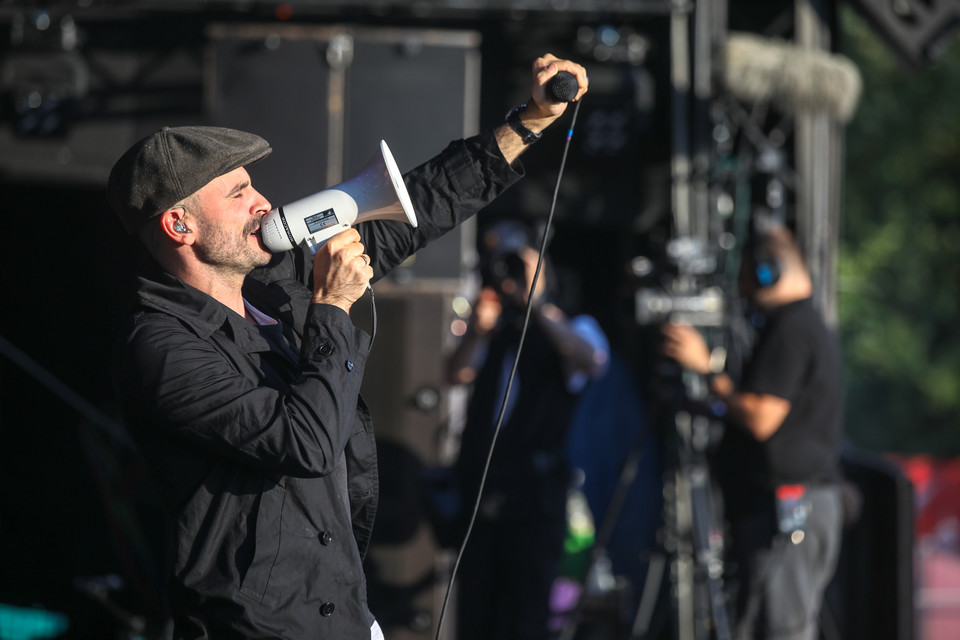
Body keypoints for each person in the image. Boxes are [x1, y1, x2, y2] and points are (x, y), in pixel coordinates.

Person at [105, 54, 588, 640]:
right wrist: (332, 307)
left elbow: (420, 207)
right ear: (179, 226)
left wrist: (531, 120)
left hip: (341, 615)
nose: (261, 201)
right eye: (237, 193)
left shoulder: (275, 287)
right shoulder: (160, 346)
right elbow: (303, 442)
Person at [660, 223, 844, 640]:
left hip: (791, 504)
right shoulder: (801, 325)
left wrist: (705, 368)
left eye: (744, 276)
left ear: (766, 272)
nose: (741, 290)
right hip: (786, 504)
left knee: (780, 627)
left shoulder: (794, 329)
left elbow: (762, 417)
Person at [446, 219, 609, 640]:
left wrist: (537, 304)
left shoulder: (571, 326)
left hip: (535, 498)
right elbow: (456, 373)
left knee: (528, 614)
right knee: (476, 611)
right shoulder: (494, 328)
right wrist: (481, 328)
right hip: (483, 489)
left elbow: (589, 359)